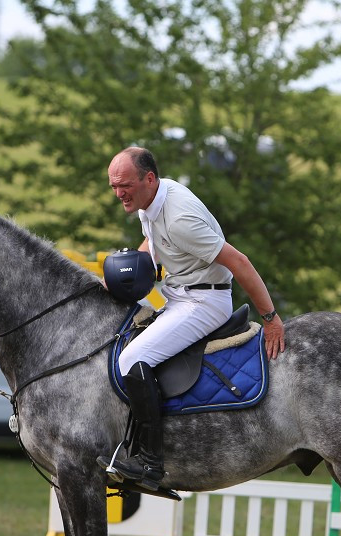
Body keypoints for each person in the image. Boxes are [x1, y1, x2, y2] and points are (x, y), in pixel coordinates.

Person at [101, 146, 285, 490]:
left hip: (204, 301)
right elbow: (151, 243)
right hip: (179, 294)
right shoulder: (151, 200)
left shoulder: (180, 219)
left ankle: (151, 464)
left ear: (149, 178)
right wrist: (118, 280)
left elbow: (240, 262)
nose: (119, 193)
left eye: (124, 185)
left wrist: (271, 317)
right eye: (113, 187)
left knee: (133, 357)